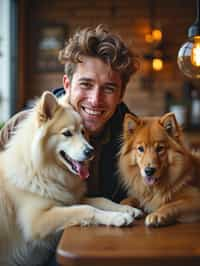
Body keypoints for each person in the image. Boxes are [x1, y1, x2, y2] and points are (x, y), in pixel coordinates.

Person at [0, 24, 139, 265]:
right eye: (85, 84)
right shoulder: (21, 127)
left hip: (104, 252)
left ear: (120, 95)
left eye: (108, 88)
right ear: (67, 84)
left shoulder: (133, 139)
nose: (95, 100)